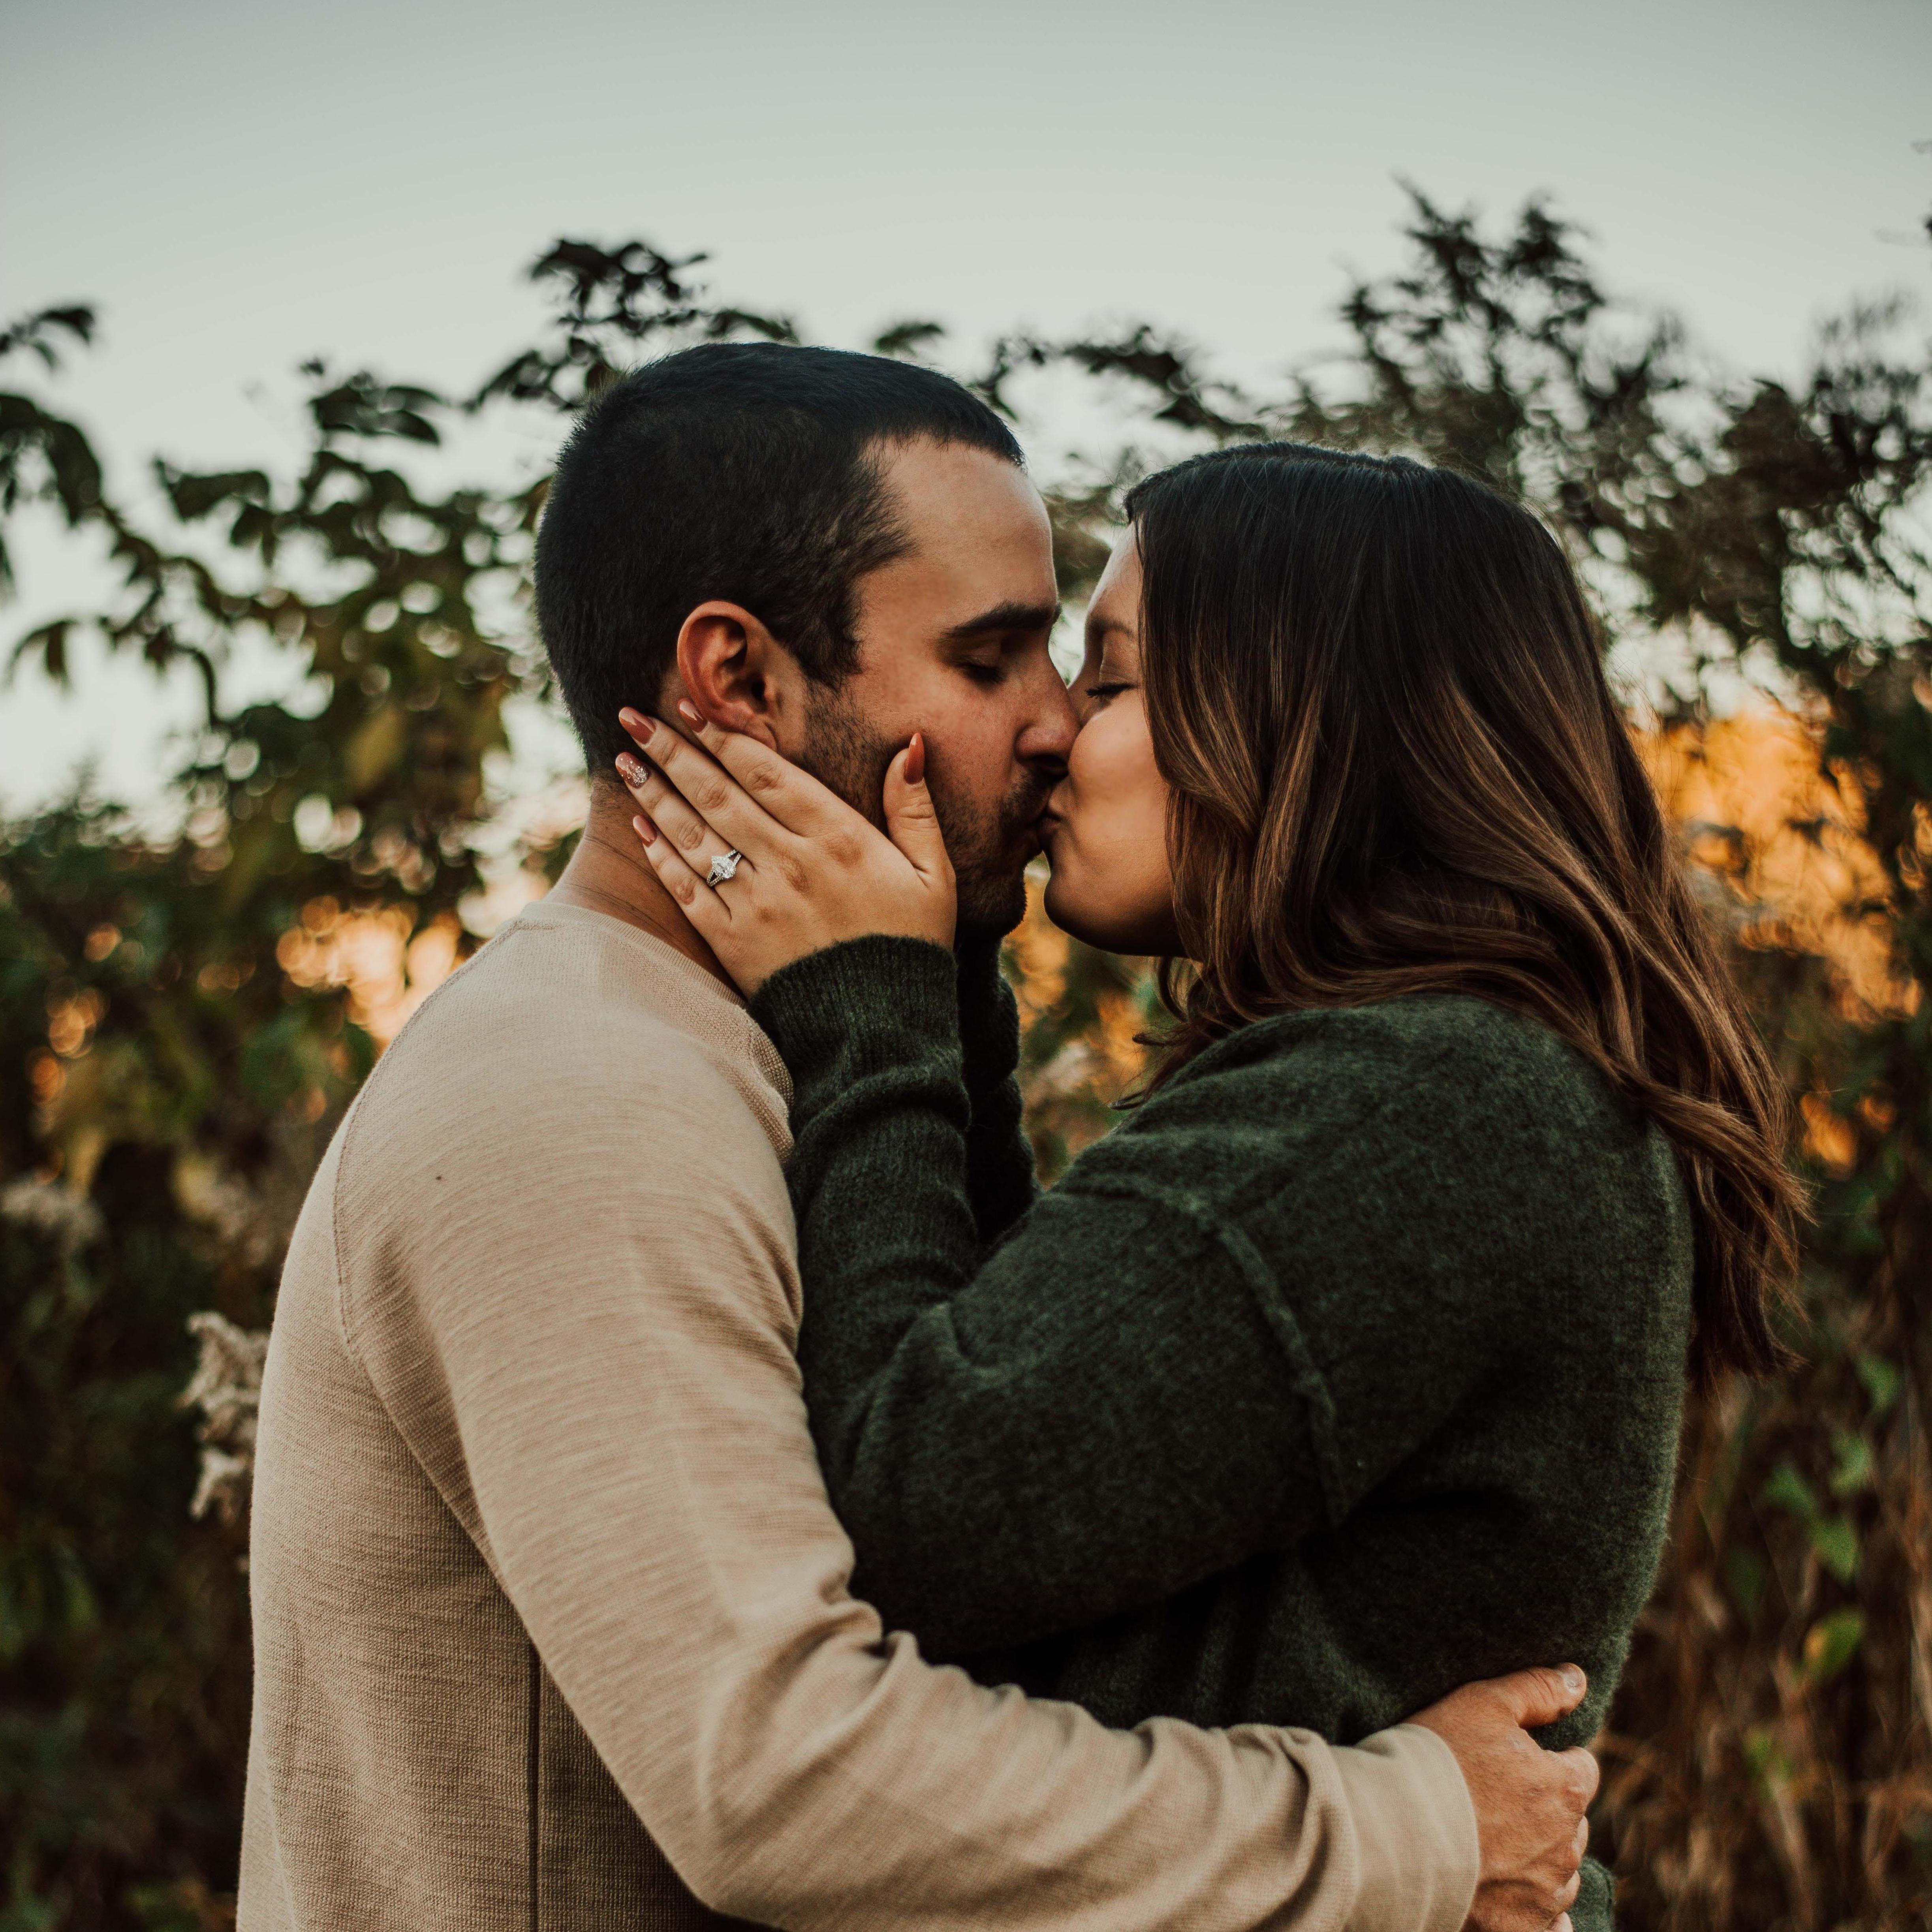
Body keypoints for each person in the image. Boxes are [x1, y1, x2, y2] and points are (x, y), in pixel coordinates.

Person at [240, 352, 1599, 1932]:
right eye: (990, 657)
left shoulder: (753, 1055)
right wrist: (1406, 1832)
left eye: (1068, 664)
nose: (1054, 725)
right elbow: (776, 1771)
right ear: (740, 681)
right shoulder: (579, 1095)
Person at [613, 439, 1804, 1932]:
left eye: (1110, 681)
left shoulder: (1420, 1106)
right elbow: (1028, 1400)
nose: (1054, 730)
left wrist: (874, 1002)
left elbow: (909, 1511)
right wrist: (945, 974)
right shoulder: (1450, 1083)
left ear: (1304, 715)